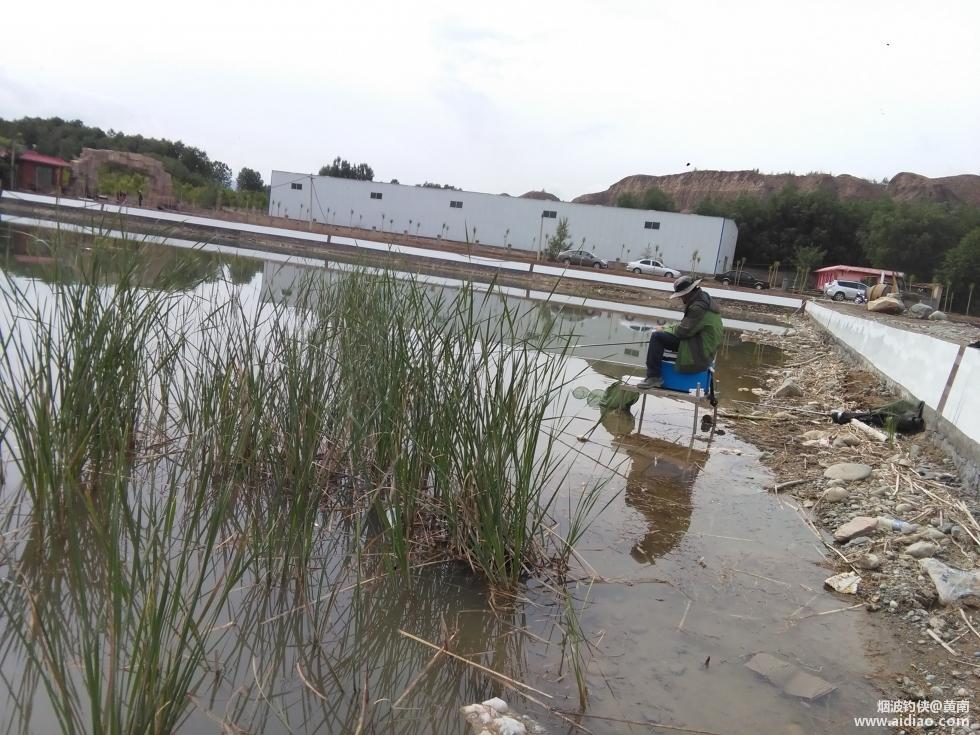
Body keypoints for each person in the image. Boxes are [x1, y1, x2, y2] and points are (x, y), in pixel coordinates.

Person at [637, 274, 723, 389]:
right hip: (704, 346)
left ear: (688, 292)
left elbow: (682, 332)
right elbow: (687, 326)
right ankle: (653, 376)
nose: (680, 298)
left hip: (700, 350)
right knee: (661, 335)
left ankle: (654, 377)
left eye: (681, 295)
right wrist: (666, 329)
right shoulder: (703, 299)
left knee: (657, 337)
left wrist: (663, 329)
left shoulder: (698, 307)